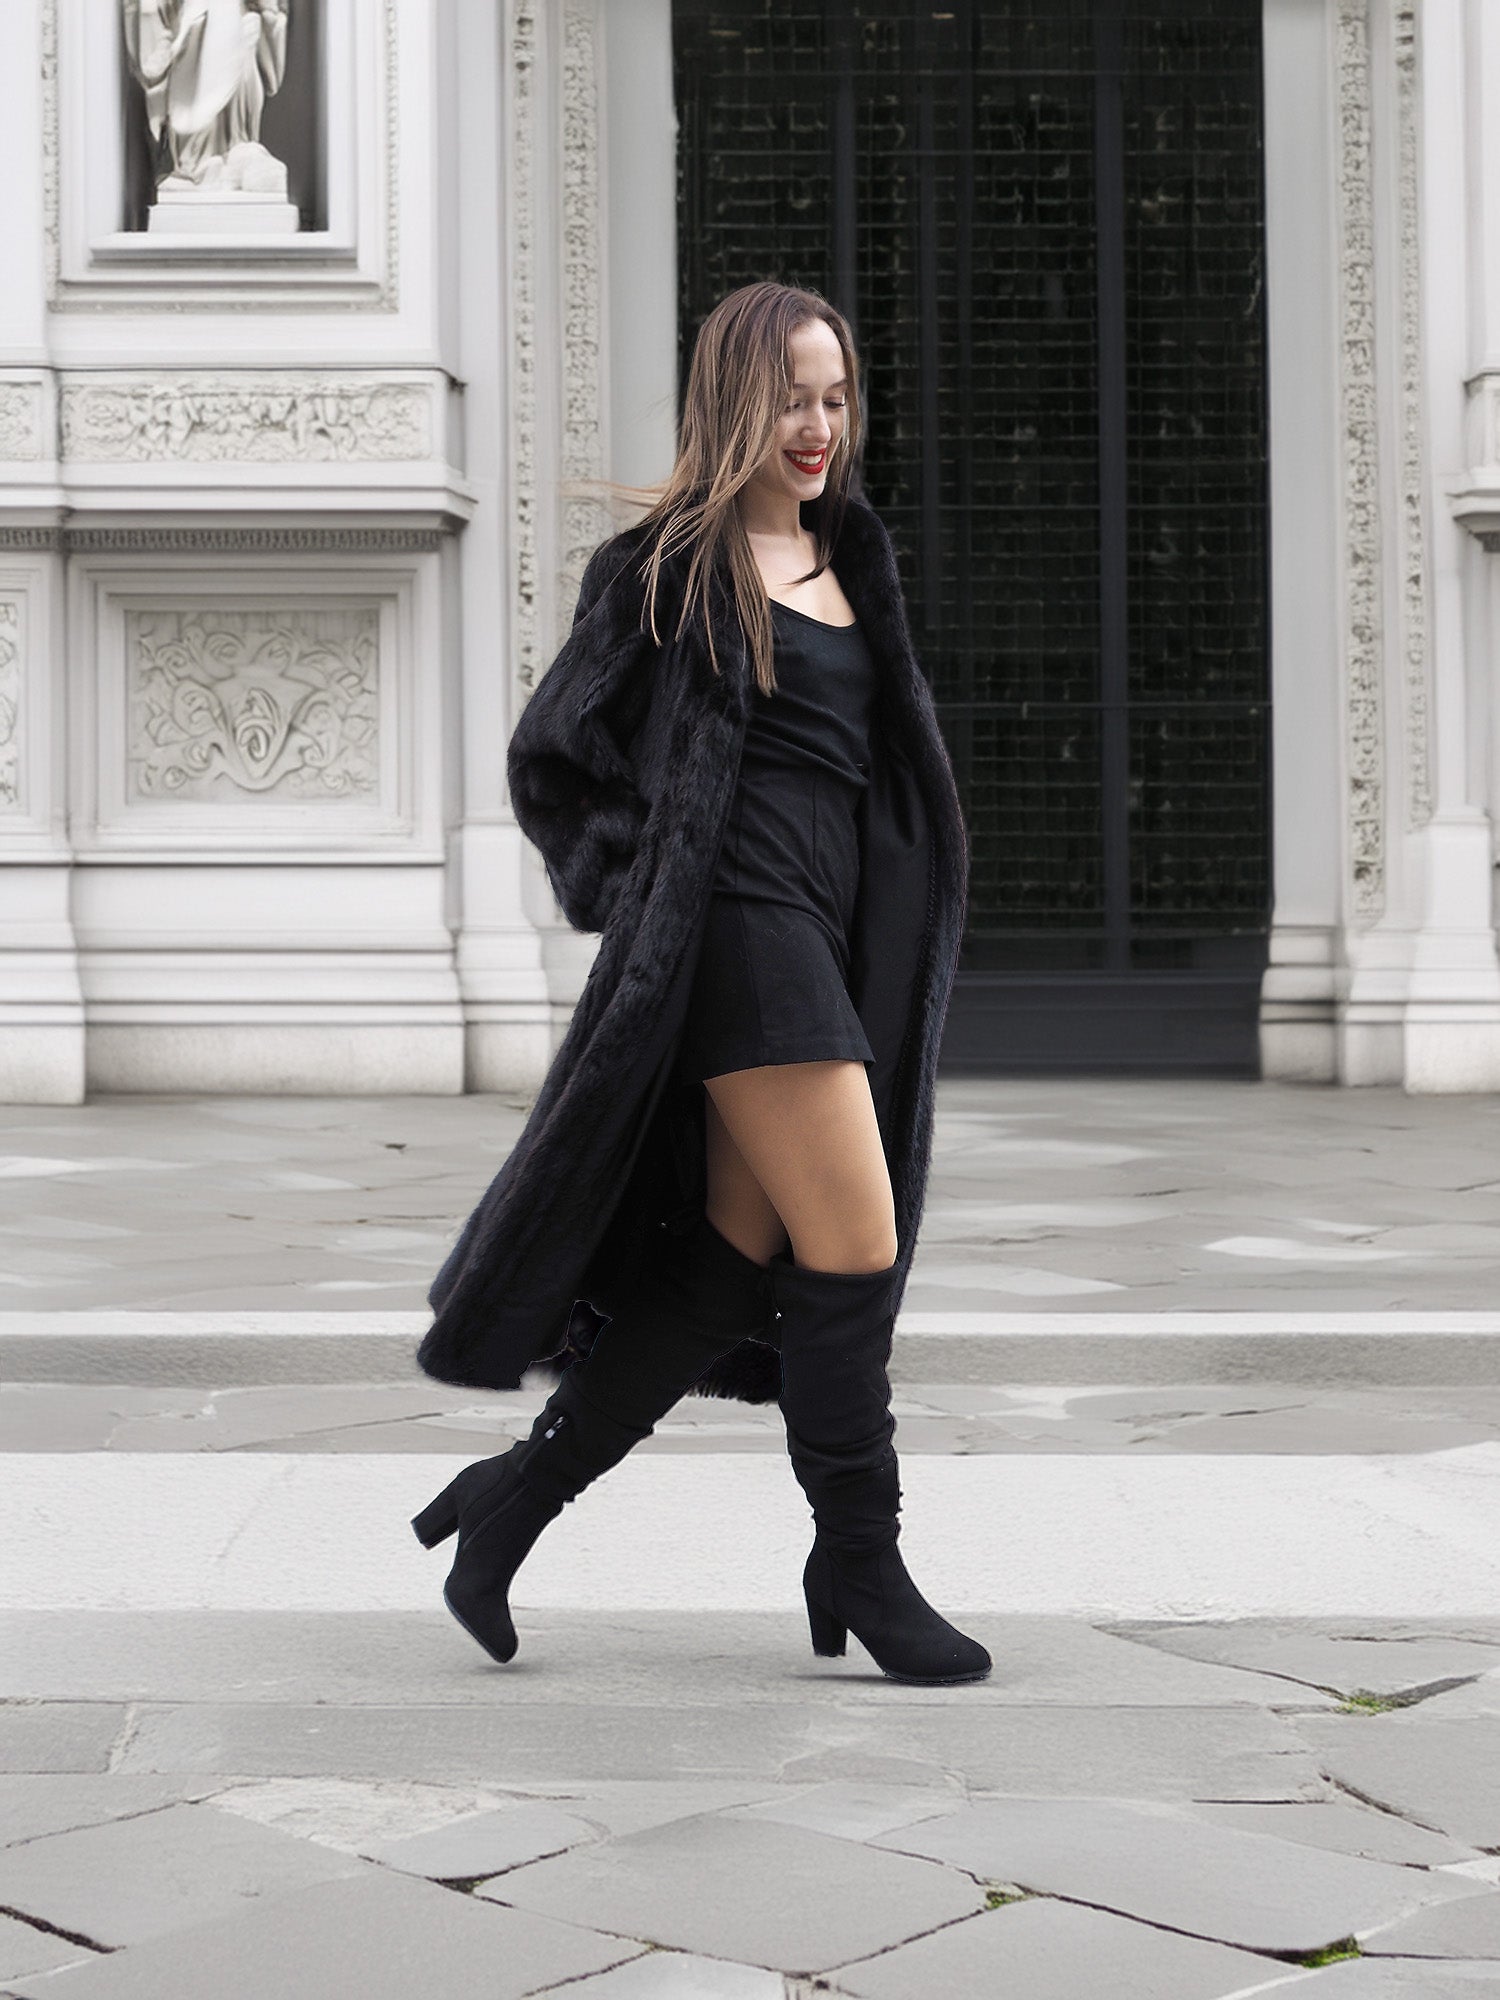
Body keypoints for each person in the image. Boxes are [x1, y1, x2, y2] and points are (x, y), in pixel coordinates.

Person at [412, 283, 989, 1687]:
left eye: (837, 396)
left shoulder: (856, 557)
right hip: (735, 930)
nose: (817, 425)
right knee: (854, 1242)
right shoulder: (667, 570)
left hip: (835, 941)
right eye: (793, 394)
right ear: (736, 399)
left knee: (732, 1267)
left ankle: (508, 1511)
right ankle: (862, 1551)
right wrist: (641, 892)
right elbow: (556, 757)